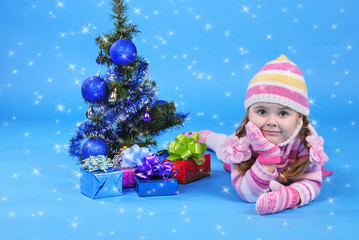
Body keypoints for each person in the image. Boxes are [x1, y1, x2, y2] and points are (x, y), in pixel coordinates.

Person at [186, 55, 331, 215]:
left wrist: (288, 198)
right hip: (251, 162)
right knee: (222, 148)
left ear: (299, 119)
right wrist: (267, 157)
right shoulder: (241, 143)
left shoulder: (306, 143)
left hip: (286, 170)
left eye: (283, 113)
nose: (271, 122)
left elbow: (312, 183)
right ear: (249, 113)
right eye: (261, 111)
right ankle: (207, 137)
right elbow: (247, 195)